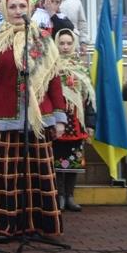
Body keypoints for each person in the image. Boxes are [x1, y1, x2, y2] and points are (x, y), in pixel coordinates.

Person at [0, 0, 67, 237]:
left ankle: (38, 225)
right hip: (3, 118)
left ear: (30, 9)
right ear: (5, 9)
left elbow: (54, 80)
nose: (17, 11)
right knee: (7, 176)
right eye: (12, 6)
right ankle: (8, 225)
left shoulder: (43, 40)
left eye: (22, 6)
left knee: (38, 175)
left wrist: (59, 117)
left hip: (39, 119)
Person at [52, 28, 96, 212]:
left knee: (74, 160)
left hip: (77, 122)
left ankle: (70, 196)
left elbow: (89, 98)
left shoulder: (81, 69)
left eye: (69, 43)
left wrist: (91, 123)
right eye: (61, 43)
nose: (65, 47)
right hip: (58, 121)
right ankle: (60, 195)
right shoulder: (51, 66)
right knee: (57, 160)